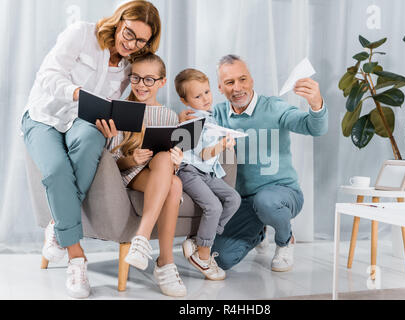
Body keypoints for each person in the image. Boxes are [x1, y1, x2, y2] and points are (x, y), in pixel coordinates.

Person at [21, 0, 161, 299]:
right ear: (119, 20)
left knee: (93, 142)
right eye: (129, 33)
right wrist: (75, 92)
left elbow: (110, 109)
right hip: (44, 115)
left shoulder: (128, 66)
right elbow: (47, 75)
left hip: (82, 123)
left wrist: (111, 134)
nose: (131, 43)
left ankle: (57, 226)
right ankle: (76, 255)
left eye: (141, 40)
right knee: (57, 170)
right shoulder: (82, 33)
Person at [180, 54, 328, 272]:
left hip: (282, 194)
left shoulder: (275, 107)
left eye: (243, 79)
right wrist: (185, 121)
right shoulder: (216, 115)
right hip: (243, 202)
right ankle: (259, 232)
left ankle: (285, 240)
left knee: (266, 202)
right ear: (220, 87)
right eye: (230, 82)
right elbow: (193, 148)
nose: (238, 87)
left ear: (252, 81)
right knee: (220, 259)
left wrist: (316, 104)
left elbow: (315, 128)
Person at [106, 53, 186, 297]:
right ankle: (164, 263)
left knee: (172, 177)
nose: (141, 85)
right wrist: (133, 159)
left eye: (149, 80)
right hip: (131, 175)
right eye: (136, 78)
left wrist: (177, 160)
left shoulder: (170, 117)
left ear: (161, 82)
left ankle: (146, 244)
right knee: (172, 183)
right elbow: (112, 164)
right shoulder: (120, 111)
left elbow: (172, 162)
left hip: (160, 175)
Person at [174, 68, 241, 281]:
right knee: (214, 206)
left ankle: (197, 240)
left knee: (233, 198)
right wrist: (222, 145)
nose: (205, 98)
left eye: (207, 92)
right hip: (190, 171)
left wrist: (224, 141)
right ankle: (202, 256)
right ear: (184, 100)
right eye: (197, 96)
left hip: (206, 172)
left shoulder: (209, 117)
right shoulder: (193, 120)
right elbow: (203, 154)